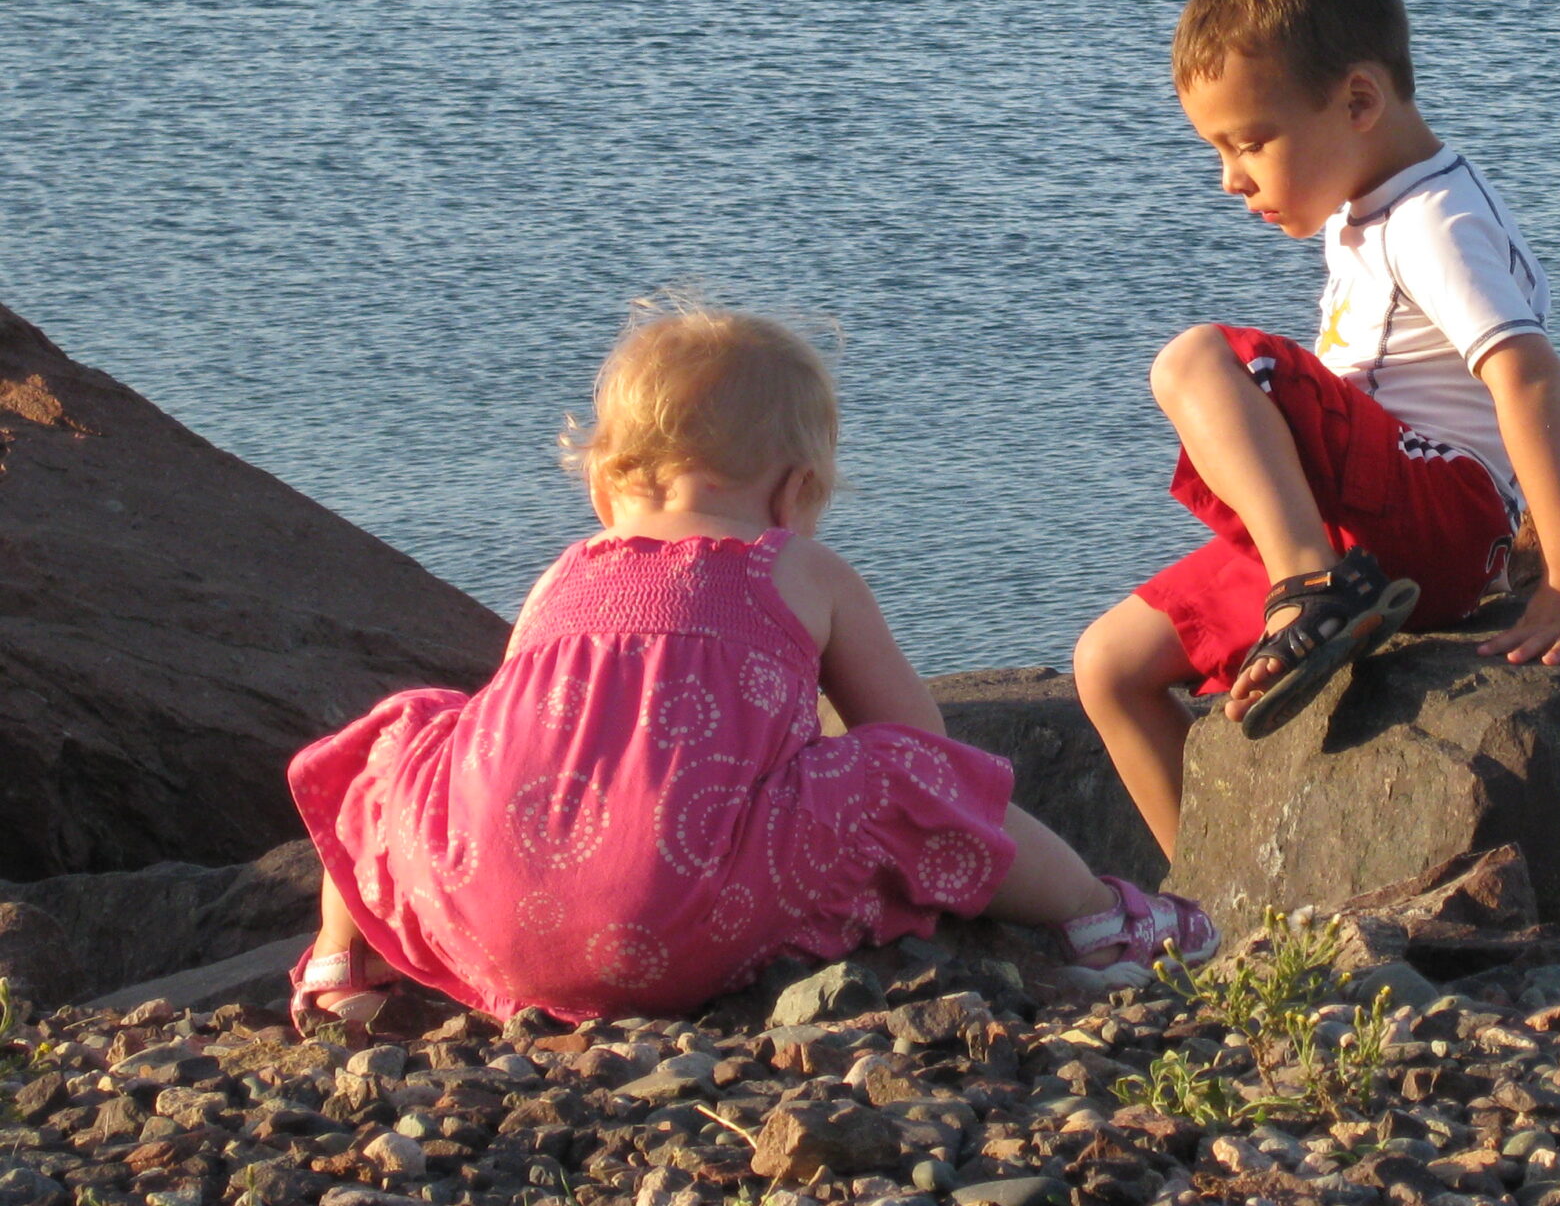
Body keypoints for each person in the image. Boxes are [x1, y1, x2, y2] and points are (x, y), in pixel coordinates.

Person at [286, 297, 1214, 1032]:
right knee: (908, 779)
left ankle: (338, 961)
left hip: (494, 921)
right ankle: (1100, 918)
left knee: (405, 736)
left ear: (607, 486)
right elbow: (919, 747)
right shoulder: (797, 567)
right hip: (680, 920)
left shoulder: (562, 574)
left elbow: (530, 740)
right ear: (796, 491)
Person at [1074, 0, 1560, 859]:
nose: (1230, 179)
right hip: (1375, 541)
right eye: (1217, 149)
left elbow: (1528, 374)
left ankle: (1306, 583)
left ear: (1358, 99)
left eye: (1250, 142)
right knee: (1109, 666)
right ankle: (1215, 907)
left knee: (1201, 360)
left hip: (1442, 509)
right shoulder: (1365, 211)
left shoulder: (1431, 220)